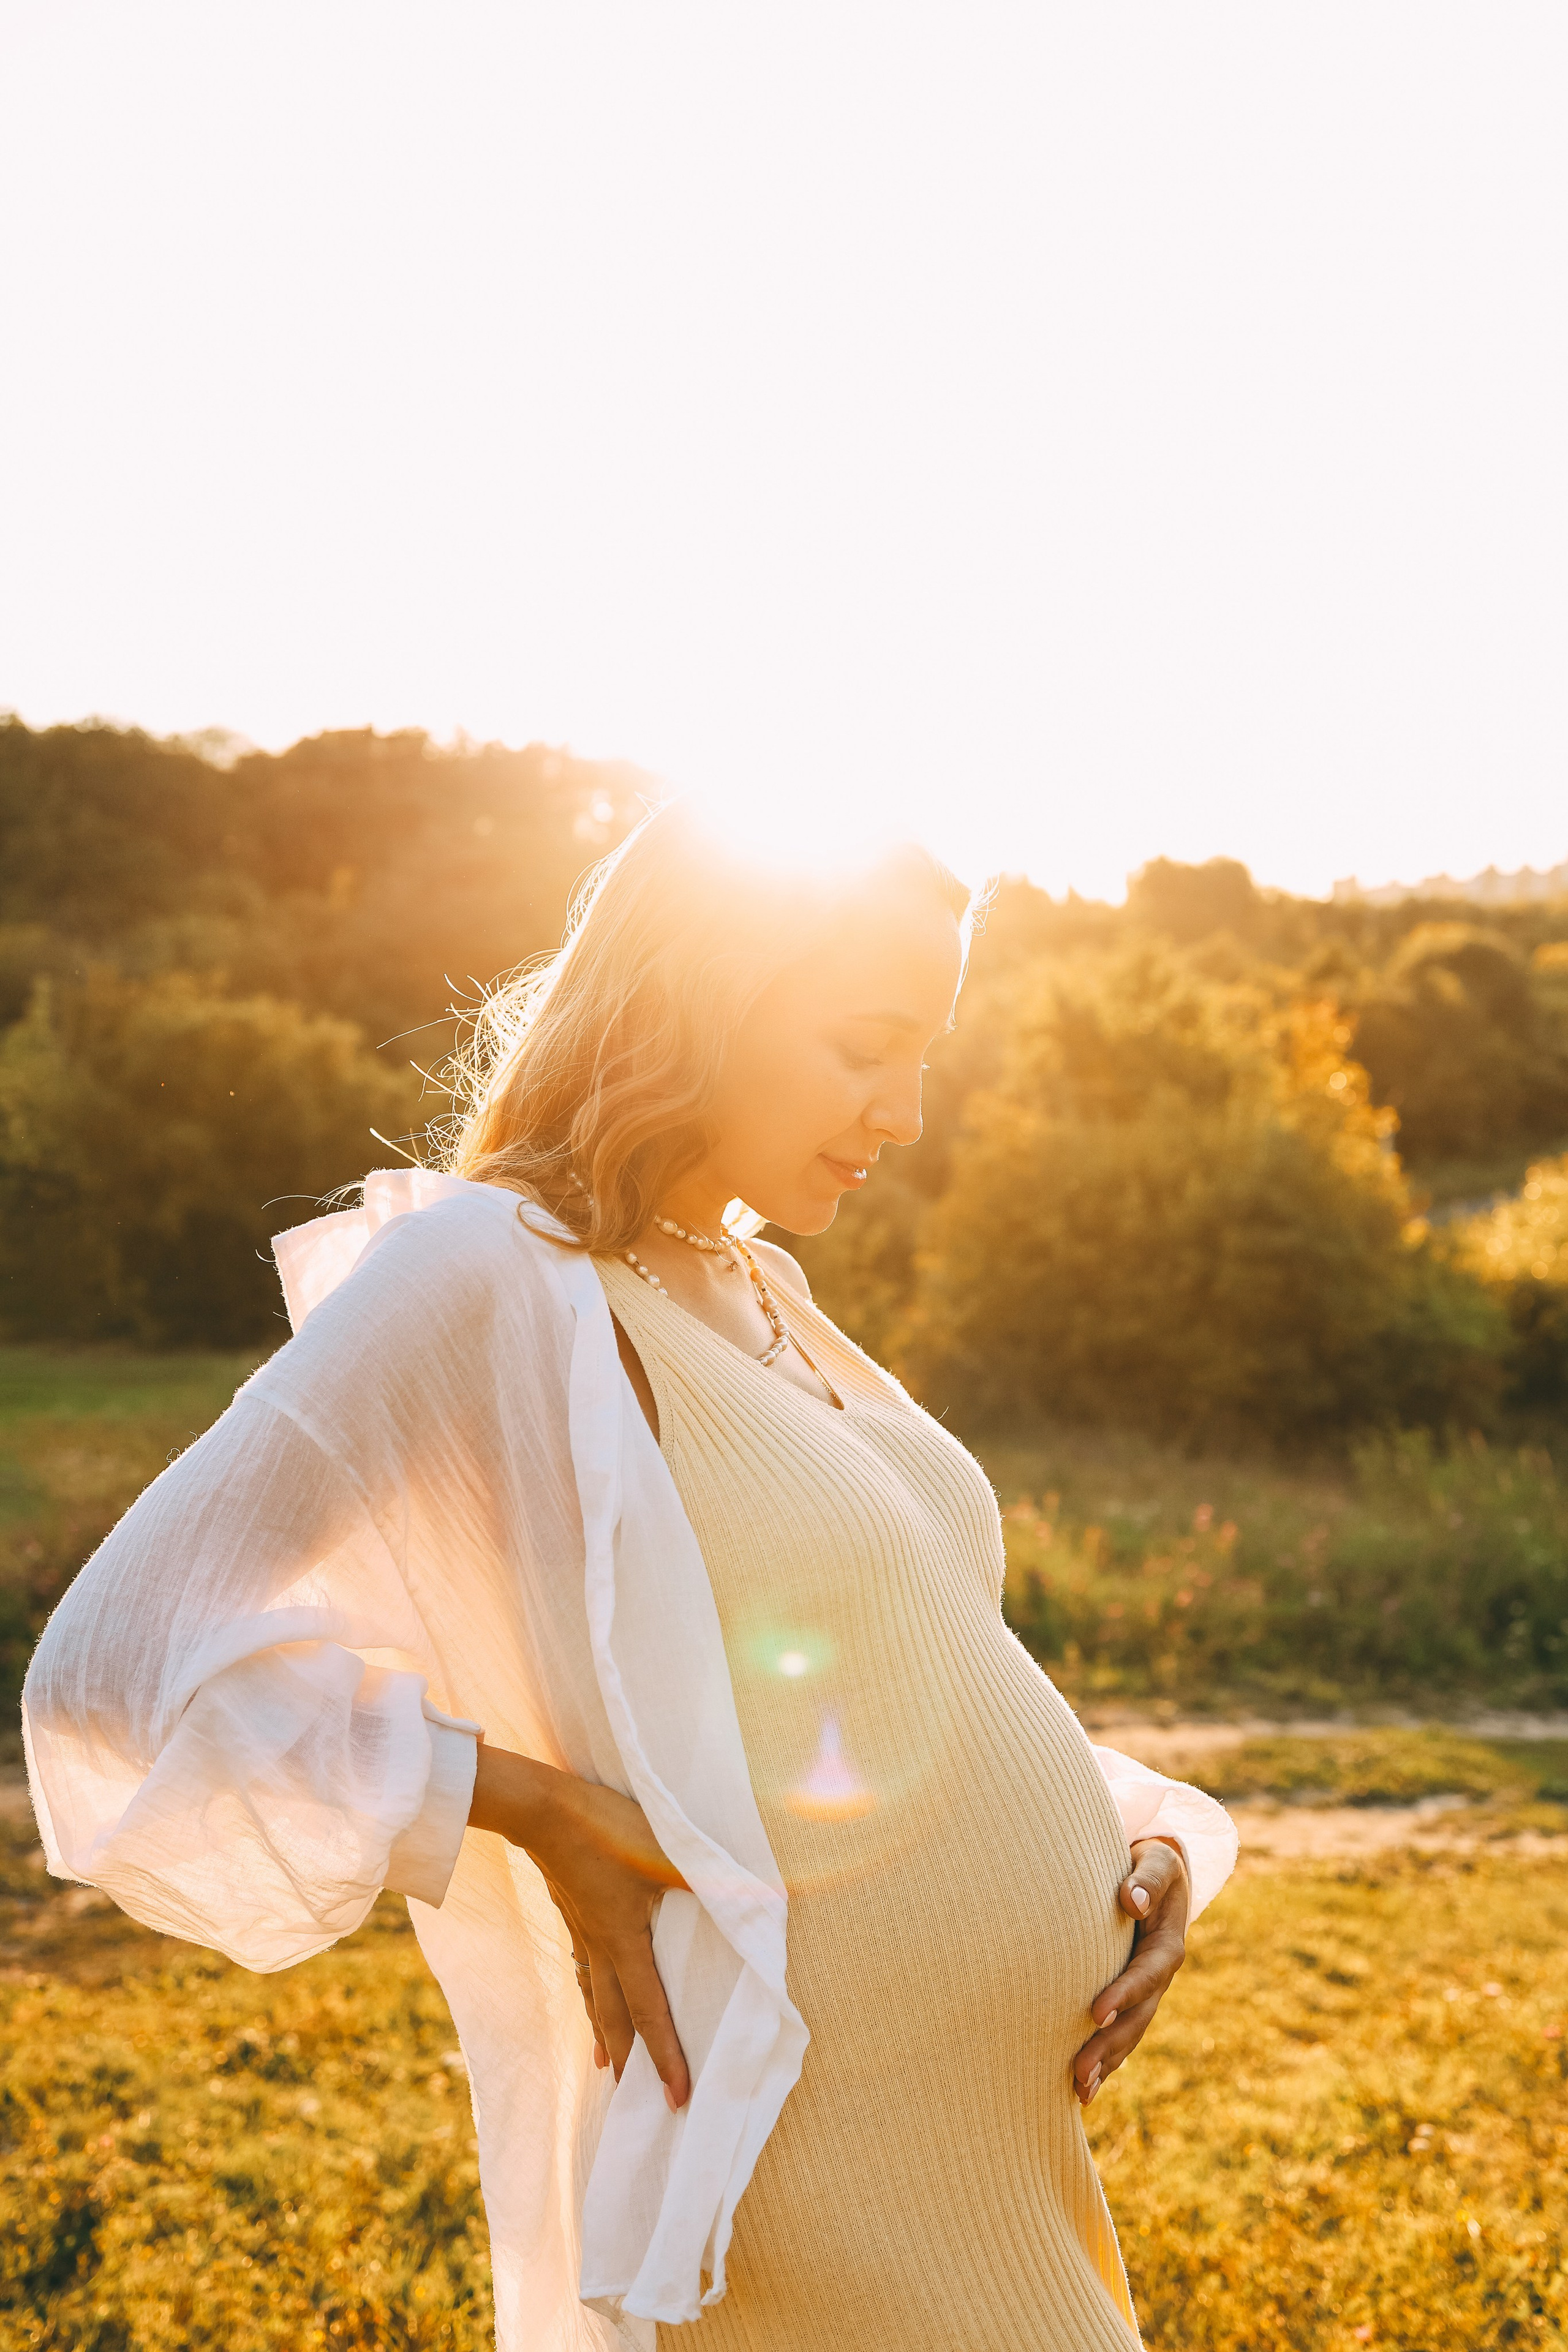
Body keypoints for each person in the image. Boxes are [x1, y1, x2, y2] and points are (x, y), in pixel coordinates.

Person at [23, 804, 1237, 2351]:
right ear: (697, 1000)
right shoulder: (481, 1272)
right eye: (866, 1043)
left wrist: (1140, 1847)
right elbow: (114, 1663)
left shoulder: (752, 1280)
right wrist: (526, 1805)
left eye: (926, 1052)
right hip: (801, 2155)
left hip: (986, 2150)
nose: (910, 1111)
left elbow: (871, 1682)